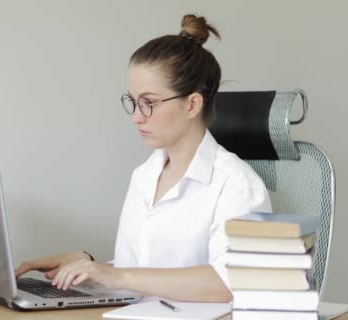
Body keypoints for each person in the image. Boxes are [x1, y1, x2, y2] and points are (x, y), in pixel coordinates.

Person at [15, 13, 272, 303]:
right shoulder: (144, 176)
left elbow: (231, 282)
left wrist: (119, 275)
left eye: (148, 103)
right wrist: (89, 265)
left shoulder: (238, 185)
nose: (137, 117)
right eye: (133, 102)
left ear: (192, 104)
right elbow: (141, 276)